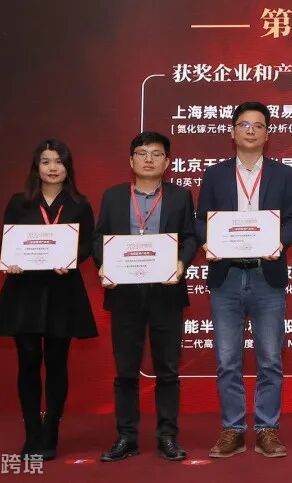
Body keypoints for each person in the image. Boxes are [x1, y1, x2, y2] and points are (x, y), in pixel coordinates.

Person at [197, 101, 292, 458]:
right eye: (244, 124)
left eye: (258, 125)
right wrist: (208, 240)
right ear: (232, 131)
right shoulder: (215, 175)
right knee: (228, 360)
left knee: (270, 358)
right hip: (226, 276)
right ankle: (234, 430)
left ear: (267, 134)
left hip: (266, 275)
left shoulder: (283, 175)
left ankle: (267, 429)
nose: (251, 130)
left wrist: (280, 242)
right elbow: (201, 219)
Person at [0, 139, 97, 461]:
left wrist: (73, 259)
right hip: (25, 290)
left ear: (68, 167)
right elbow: (6, 240)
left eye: (59, 162)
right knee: (28, 359)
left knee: (57, 361)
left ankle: (51, 431)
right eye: (46, 161)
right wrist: (11, 260)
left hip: (63, 290)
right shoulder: (19, 202)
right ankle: (32, 432)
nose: (52, 168)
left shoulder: (79, 204)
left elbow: (87, 244)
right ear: (36, 167)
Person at [93, 131, 198, 462]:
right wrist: (105, 264)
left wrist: (181, 264)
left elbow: (190, 237)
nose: (149, 159)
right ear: (131, 160)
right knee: (126, 370)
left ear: (167, 162)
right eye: (142, 153)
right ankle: (126, 437)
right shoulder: (113, 197)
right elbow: (99, 237)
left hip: (166, 292)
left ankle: (167, 436)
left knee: (167, 370)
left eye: (156, 154)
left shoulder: (180, 196)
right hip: (125, 294)